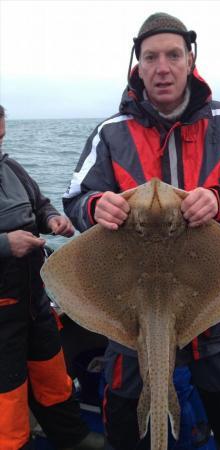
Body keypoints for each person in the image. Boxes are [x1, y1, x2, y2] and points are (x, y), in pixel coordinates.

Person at [63, 12, 220, 450]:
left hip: (214, 315)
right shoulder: (110, 133)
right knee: (125, 427)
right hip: (130, 318)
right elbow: (76, 200)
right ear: (136, 65)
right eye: (151, 56)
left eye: (173, 55)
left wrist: (219, 199)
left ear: (190, 58)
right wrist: (97, 207)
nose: (163, 67)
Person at [0, 105, 104, 450]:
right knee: (7, 392)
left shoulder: (11, 167)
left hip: (33, 299)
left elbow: (39, 204)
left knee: (52, 374)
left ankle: (70, 436)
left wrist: (53, 220)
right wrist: (3, 244)